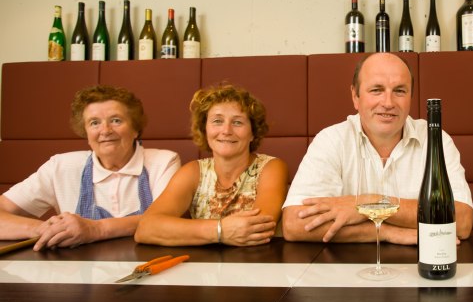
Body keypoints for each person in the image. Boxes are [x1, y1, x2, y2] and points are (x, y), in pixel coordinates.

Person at [282, 52, 473, 244]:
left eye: (400, 91)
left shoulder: (435, 139)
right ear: (355, 96)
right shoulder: (331, 140)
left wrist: (364, 204)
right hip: (347, 263)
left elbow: (463, 222)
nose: (388, 103)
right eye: (376, 90)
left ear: (411, 98)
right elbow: (294, 225)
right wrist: (386, 232)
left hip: (420, 261)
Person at [0, 85, 180, 251]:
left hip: (148, 265)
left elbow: (165, 221)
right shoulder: (61, 167)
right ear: (85, 132)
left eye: (116, 120)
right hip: (78, 270)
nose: (105, 130)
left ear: (135, 129)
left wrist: (96, 229)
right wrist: (44, 229)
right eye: (94, 123)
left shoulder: (164, 162)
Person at [135, 84, 287, 246]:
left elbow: (260, 226)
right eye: (217, 121)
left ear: (253, 133)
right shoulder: (193, 171)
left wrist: (189, 231)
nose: (226, 130)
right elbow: (146, 228)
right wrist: (220, 231)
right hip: (203, 261)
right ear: (205, 130)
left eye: (237, 122)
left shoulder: (271, 167)